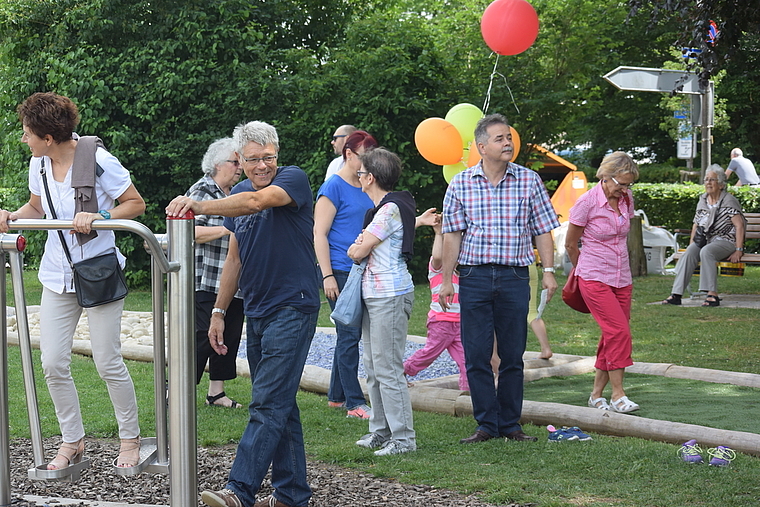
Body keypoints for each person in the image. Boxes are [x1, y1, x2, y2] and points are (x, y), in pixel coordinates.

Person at [167, 121, 320, 507]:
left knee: (267, 402)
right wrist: (219, 310)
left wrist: (199, 206)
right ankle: (291, 495)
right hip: (257, 309)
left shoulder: (293, 179)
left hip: (293, 304)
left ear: (277, 154)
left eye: (267, 157)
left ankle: (239, 491)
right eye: (252, 159)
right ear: (241, 160)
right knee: (279, 402)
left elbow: (258, 202)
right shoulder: (236, 191)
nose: (261, 165)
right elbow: (234, 257)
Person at [0, 92, 145, 469]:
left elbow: (135, 203)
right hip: (56, 274)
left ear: (47, 136)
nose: (23, 139)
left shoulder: (97, 159)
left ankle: (129, 439)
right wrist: (12, 216)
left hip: (97, 271)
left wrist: (100, 215)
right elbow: (37, 207)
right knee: (52, 362)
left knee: (107, 361)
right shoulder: (41, 164)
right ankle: (73, 441)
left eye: (27, 133)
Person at [440, 113, 559, 444]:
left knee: (512, 354)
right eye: (500, 139)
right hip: (475, 277)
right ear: (481, 147)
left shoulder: (529, 181)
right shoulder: (461, 183)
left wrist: (548, 272)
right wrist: (447, 280)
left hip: (513, 277)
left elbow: (543, 230)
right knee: (476, 354)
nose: (508, 143)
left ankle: (510, 424)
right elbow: (452, 236)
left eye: (509, 137)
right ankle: (485, 425)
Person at [347, 148, 418, 456]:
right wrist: (360, 243)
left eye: (361, 173)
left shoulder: (388, 211)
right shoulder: (385, 210)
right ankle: (380, 431)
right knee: (374, 367)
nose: (358, 177)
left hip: (389, 294)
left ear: (370, 178)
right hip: (375, 295)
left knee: (388, 368)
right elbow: (360, 245)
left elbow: (357, 251)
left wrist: (359, 244)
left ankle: (403, 439)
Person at [565, 151, 640, 414]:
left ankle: (596, 395)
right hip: (594, 276)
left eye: (629, 184)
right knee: (619, 333)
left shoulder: (626, 199)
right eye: (621, 183)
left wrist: (624, 192)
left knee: (612, 335)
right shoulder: (587, 203)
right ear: (606, 177)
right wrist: (583, 270)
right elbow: (571, 244)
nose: (625, 189)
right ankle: (618, 395)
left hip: (622, 278)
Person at [314, 130, 377, 419]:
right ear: (349, 154)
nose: (369, 162)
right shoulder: (333, 187)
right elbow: (319, 233)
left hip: (359, 268)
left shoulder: (365, 185)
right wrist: (327, 275)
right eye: (365, 155)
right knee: (350, 333)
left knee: (347, 334)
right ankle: (354, 403)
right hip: (339, 269)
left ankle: (337, 397)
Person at [185, 138, 245, 408]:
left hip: (234, 281)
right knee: (202, 337)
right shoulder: (202, 191)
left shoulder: (235, 193)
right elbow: (190, 232)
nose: (240, 167)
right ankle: (177, 388)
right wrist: (226, 228)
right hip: (207, 280)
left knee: (229, 335)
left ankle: (216, 393)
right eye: (235, 162)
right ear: (217, 164)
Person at [661, 164, 746, 308]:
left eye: (712, 180)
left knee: (707, 251)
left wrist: (738, 249)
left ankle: (712, 295)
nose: (708, 183)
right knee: (689, 253)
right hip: (707, 240)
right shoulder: (703, 200)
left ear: (721, 184)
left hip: (726, 241)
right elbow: (696, 224)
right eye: (706, 179)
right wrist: (691, 245)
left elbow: (739, 225)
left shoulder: (729, 201)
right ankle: (676, 295)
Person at [403, 218, 469, 392]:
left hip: (460, 324)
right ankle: (401, 371)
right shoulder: (438, 271)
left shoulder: (462, 276)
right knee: (428, 354)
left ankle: (468, 393)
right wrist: (439, 233)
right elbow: (439, 256)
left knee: (467, 360)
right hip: (441, 322)